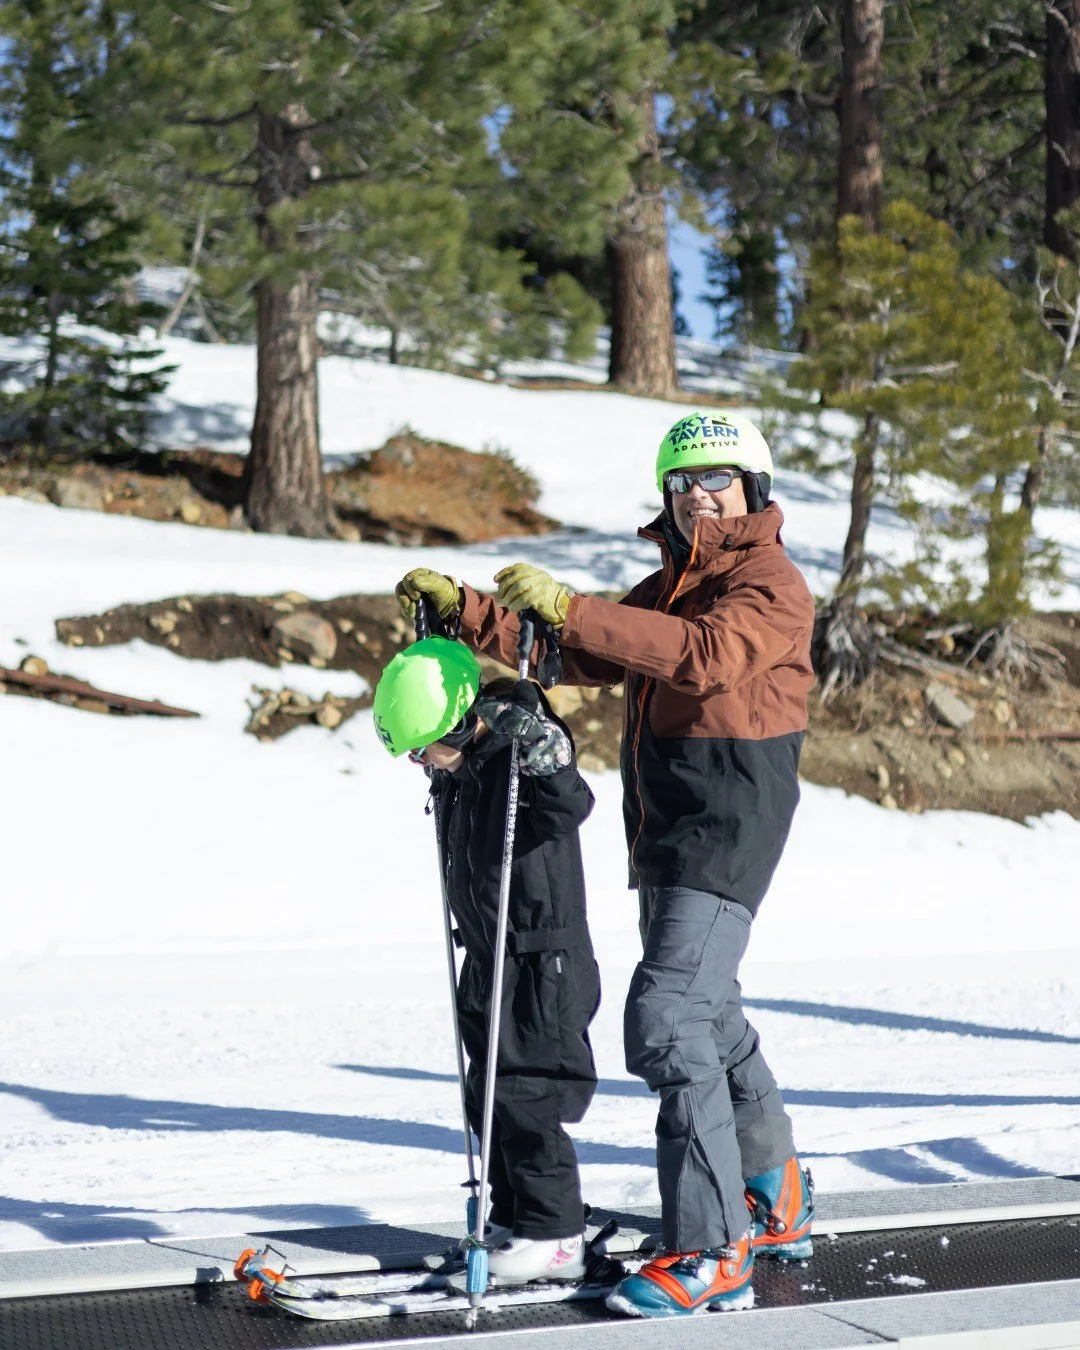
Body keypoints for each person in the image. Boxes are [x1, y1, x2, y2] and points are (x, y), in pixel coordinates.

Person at [395, 410, 816, 1317]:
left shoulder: (770, 585)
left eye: (715, 479)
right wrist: (469, 611)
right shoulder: (669, 585)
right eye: (680, 482)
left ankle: (712, 1251)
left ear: (753, 487)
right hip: (667, 827)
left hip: (727, 821)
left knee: (669, 1019)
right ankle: (775, 1191)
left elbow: (704, 658)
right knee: (711, 1010)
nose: (696, 496)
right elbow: (581, 648)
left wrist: (573, 606)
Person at [372, 636, 601, 1284]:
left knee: (529, 1096)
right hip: (486, 956)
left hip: (540, 963)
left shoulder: (518, 758)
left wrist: (544, 749)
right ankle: (513, 1216)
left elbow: (568, 800)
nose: (419, 761)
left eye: (421, 747)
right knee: (490, 1095)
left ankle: (556, 1235)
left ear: (454, 727)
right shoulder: (463, 768)